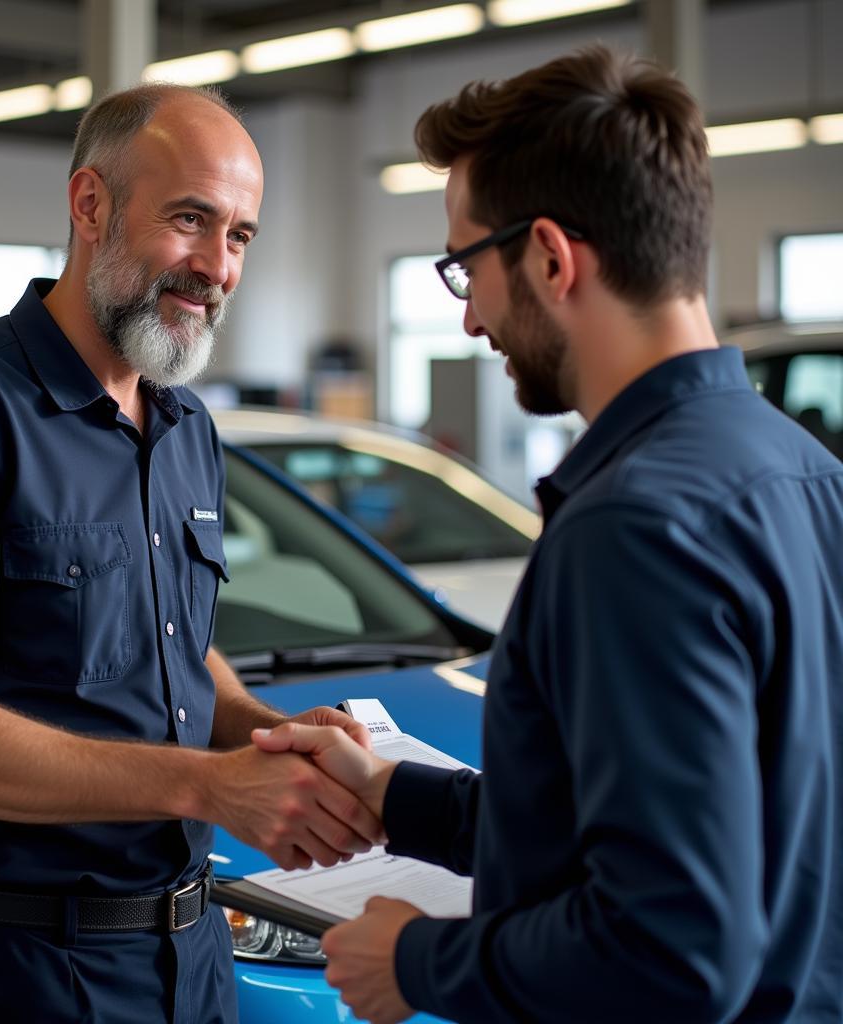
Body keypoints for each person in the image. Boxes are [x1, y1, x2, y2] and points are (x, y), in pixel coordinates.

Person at [254, 46, 843, 1024]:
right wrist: (393, 795)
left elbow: (672, 946)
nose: (473, 318)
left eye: (463, 267)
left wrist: (418, 961)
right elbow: (644, 827)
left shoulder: (634, 524)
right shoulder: (804, 471)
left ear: (550, 257)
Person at [0, 83, 381, 1024]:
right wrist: (211, 785)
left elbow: (165, 637)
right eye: (190, 220)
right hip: (11, 974)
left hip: (190, 956)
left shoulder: (185, 427)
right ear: (91, 205)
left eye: (241, 236)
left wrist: (265, 732)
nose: (217, 266)